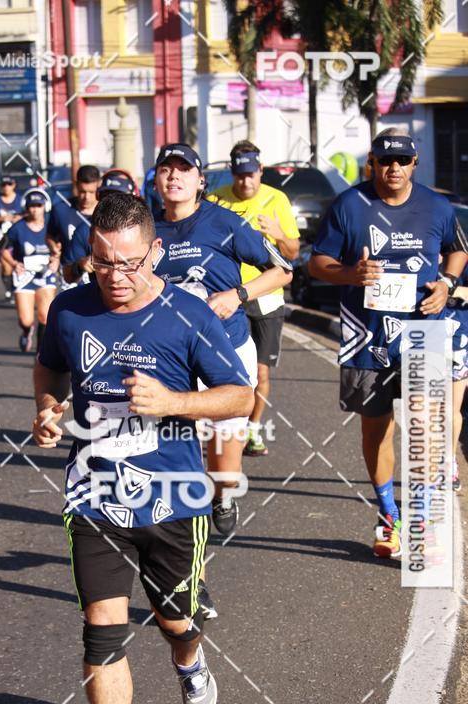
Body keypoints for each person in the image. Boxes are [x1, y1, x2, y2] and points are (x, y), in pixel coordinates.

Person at [33, 192, 253, 704]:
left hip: (174, 497)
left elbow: (238, 396)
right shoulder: (68, 311)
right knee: (102, 631)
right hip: (94, 493)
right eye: (103, 264)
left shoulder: (187, 313)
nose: (117, 278)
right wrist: (48, 412)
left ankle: (189, 660)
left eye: (130, 263)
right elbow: (50, 371)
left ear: (154, 252)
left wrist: (176, 403)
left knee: (175, 621)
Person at [309, 129, 468, 558]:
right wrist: (350, 275)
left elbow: (458, 250)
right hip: (367, 333)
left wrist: (447, 284)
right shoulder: (349, 205)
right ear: (372, 164)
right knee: (376, 428)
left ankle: (424, 521)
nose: (393, 168)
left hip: (425, 329)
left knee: (426, 428)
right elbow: (316, 261)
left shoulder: (436, 205)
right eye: (384, 161)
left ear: (415, 164)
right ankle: (389, 515)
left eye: (401, 161)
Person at [152, 142, 292, 537]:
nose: (174, 176)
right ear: (157, 179)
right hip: (173, 357)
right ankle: (183, 521)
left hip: (228, 350)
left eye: (184, 170)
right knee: (180, 448)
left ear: (200, 181)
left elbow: (283, 271)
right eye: (166, 170)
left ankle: (223, 494)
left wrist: (238, 295)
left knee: (225, 463)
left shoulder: (224, 222)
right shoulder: (145, 228)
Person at [207, 141, 300, 456]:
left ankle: (253, 429)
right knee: (219, 367)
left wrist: (279, 233)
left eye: (251, 174)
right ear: (232, 173)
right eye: (239, 175)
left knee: (260, 372)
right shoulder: (215, 200)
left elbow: (292, 255)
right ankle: (220, 427)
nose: (246, 182)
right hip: (224, 295)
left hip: (266, 294)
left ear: (261, 170)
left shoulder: (278, 199)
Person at [1, 189, 59, 353]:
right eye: (31, 206)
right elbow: (3, 250)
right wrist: (14, 264)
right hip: (25, 276)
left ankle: (41, 353)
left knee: (45, 316)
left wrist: (56, 260)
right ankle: (27, 331)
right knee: (25, 320)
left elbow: (61, 249)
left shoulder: (52, 227)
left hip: (45, 275)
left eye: (38, 205)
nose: (34, 209)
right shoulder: (17, 228)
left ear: (45, 207)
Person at [0, 176, 23, 300]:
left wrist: (19, 218)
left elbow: (28, 213)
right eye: (4, 185)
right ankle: (9, 288)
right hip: (1, 235)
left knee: (19, 261)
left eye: (9, 184)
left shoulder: (20, 200)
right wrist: (2, 218)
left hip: (18, 235)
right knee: (6, 264)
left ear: (14, 185)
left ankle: (18, 288)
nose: (6, 187)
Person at [448, 260, 468, 491]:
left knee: (451, 408)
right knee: (422, 411)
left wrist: (450, 288)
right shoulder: (422, 245)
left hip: (457, 337)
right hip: (421, 333)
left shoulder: (463, 256)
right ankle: (425, 467)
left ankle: (448, 461)